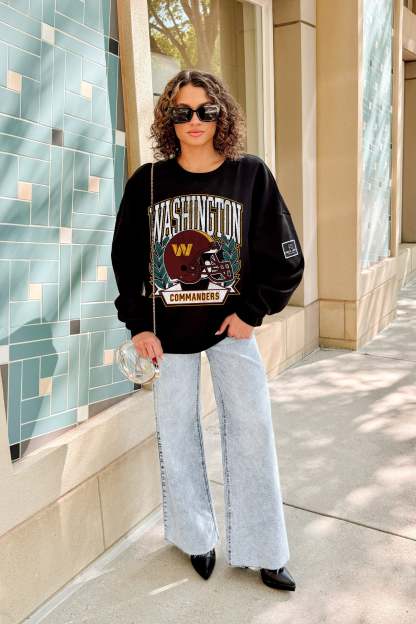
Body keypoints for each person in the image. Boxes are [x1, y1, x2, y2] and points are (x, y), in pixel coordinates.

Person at [111, 69, 304, 591]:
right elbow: (126, 260)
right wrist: (139, 325)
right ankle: (196, 539)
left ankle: (265, 550)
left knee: (252, 433)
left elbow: (285, 256)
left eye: (205, 110)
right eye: (182, 112)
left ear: (222, 116)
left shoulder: (250, 174)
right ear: (168, 120)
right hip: (166, 338)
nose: (194, 120)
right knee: (176, 435)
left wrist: (252, 312)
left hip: (230, 330)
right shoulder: (148, 182)